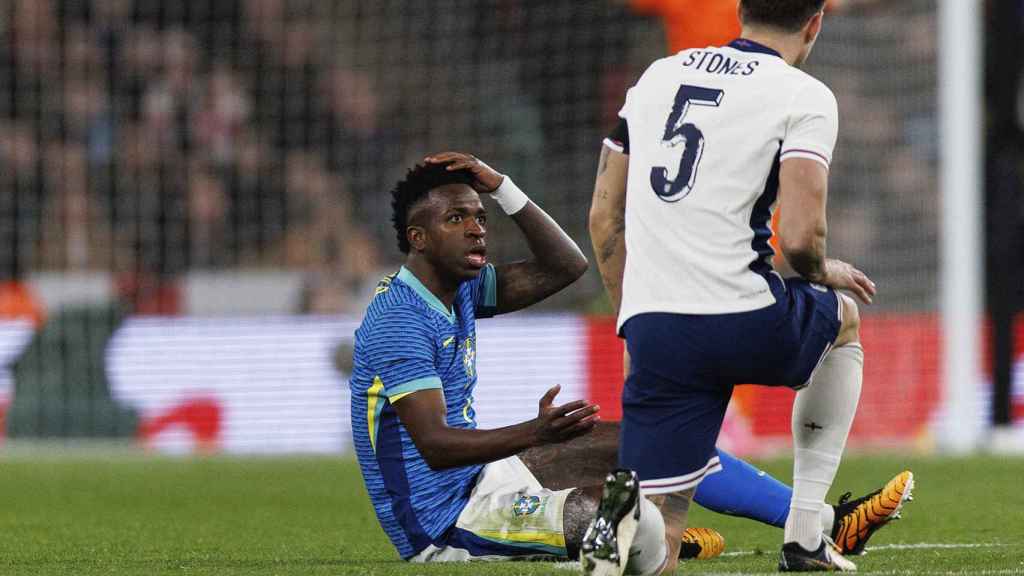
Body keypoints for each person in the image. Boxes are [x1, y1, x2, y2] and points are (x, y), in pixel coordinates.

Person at [585, 1, 912, 573]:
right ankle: (805, 535)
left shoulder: (658, 76)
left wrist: (631, 318)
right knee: (844, 321)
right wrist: (824, 271)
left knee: (667, 517)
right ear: (815, 24)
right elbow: (803, 240)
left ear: (740, 10)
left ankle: (628, 527)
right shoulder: (803, 95)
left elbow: (602, 217)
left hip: (657, 324)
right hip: (743, 313)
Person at [349, 153, 668, 572]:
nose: (476, 230)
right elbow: (436, 447)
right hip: (445, 523)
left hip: (480, 477)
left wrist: (502, 187)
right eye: (456, 219)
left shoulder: (461, 287)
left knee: (651, 445)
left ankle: (778, 523)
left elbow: (566, 266)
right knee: (620, 512)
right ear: (418, 238)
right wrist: (535, 432)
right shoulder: (399, 320)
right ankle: (631, 545)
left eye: (480, 218)